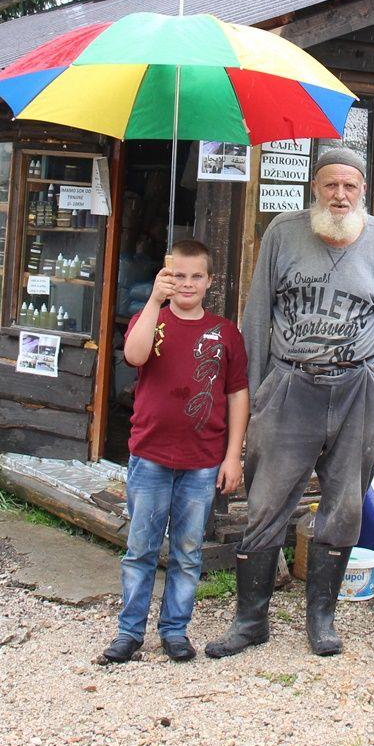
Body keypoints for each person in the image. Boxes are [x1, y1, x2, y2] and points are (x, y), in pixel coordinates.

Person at [206, 148, 374, 658]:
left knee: (344, 507)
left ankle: (321, 620)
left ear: (362, 189)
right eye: (330, 185)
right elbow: (256, 316)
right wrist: (256, 395)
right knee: (265, 503)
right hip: (291, 386)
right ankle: (251, 621)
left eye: (349, 186)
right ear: (314, 188)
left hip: (358, 390)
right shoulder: (283, 231)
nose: (340, 195)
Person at [98, 239, 249, 665]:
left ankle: (175, 631)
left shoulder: (225, 333)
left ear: (209, 282)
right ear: (166, 278)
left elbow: (238, 395)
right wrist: (152, 299)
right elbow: (134, 354)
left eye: (195, 276)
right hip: (150, 456)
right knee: (141, 550)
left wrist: (232, 455)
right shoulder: (153, 320)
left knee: (187, 553)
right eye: (177, 275)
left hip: (201, 462)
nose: (187, 284)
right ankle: (129, 633)